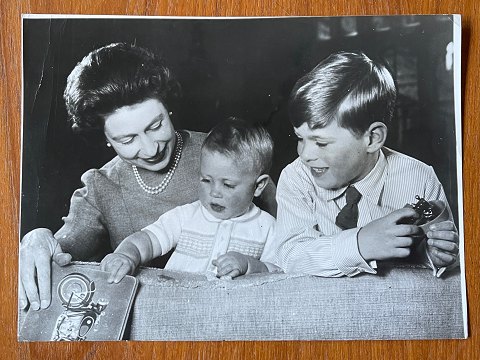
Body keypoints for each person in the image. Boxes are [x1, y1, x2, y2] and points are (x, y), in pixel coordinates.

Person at [19, 43, 276, 311]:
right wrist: (36, 238)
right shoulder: (100, 185)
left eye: (156, 125)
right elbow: (61, 252)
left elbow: (284, 246)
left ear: (168, 108)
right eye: (127, 139)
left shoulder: (230, 158)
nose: (151, 149)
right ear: (105, 138)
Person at [274, 51, 459, 278]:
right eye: (300, 138)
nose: (305, 154)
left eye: (321, 142)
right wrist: (360, 243)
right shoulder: (296, 178)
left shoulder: (420, 178)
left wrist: (434, 255)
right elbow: (290, 256)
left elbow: (446, 265)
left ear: (372, 138)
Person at [100, 117, 280, 283]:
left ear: (258, 186)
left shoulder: (268, 227)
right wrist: (127, 255)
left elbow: (279, 273)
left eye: (228, 185)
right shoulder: (187, 215)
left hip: (230, 312)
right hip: (177, 301)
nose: (214, 192)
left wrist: (249, 266)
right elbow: (146, 240)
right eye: (206, 180)